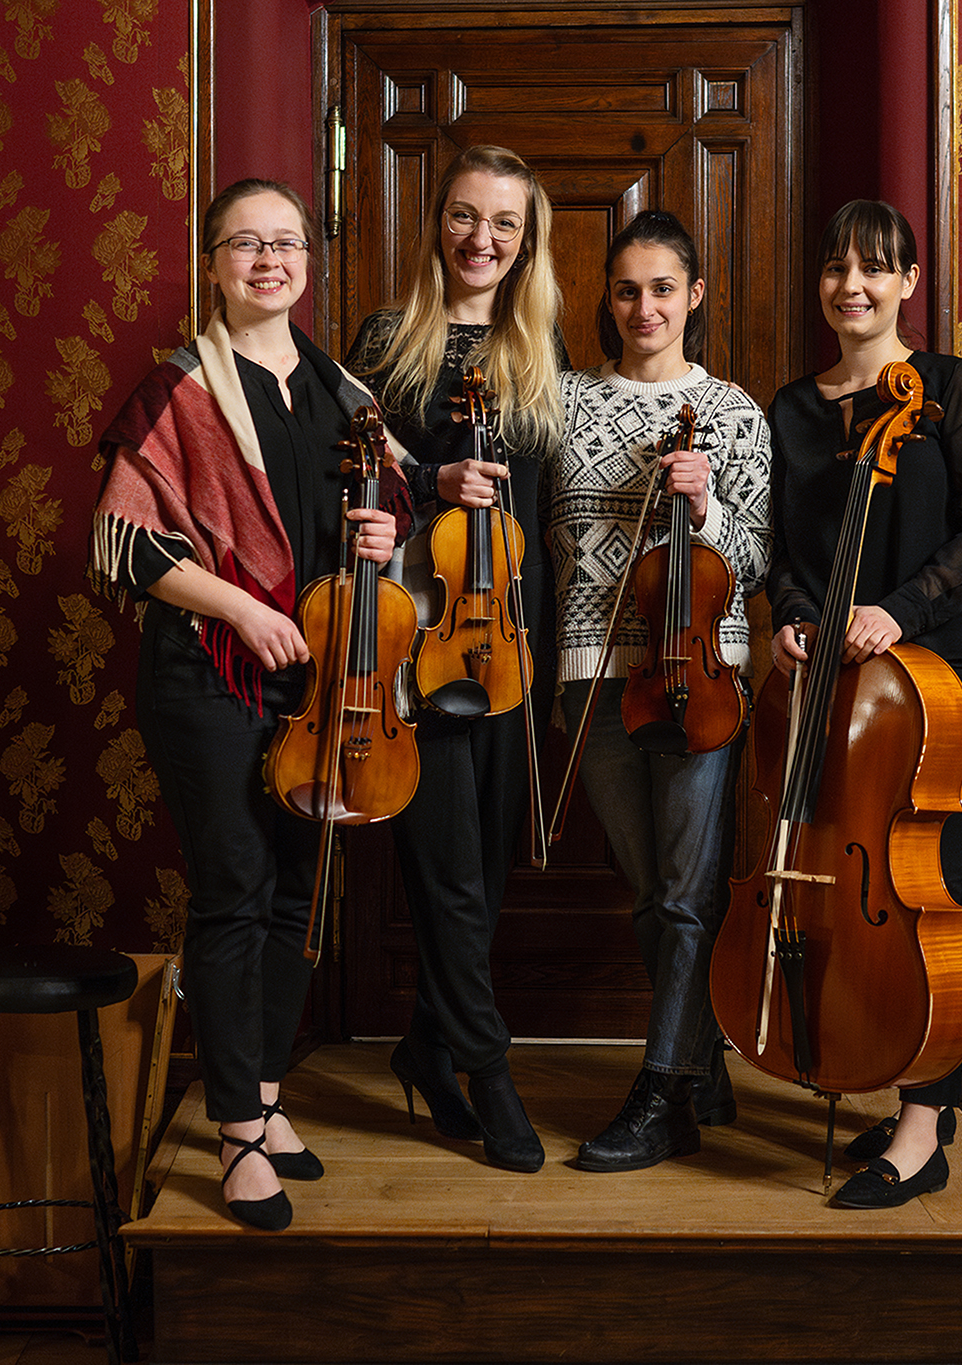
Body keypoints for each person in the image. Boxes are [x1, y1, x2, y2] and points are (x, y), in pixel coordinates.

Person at [92, 179, 410, 1231]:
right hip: (209, 673)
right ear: (212, 265)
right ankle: (234, 1134)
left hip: (318, 680)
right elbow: (124, 544)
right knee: (233, 891)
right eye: (244, 244)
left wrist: (385, 534)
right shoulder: (178, 387)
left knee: (293, 894)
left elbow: (388, 516)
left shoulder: (345, 393)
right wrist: (238, 607)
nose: (267, 261)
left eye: (284, 244)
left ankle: (265, 1102)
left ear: (307, 262)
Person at [765, 199, 962, 1209]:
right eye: (837, 268)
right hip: (844, 673)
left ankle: (922, 1129)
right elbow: (787, 551)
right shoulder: (794, 410)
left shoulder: (949, 389)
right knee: (856, 870)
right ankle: (907, 1084)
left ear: (908, 283)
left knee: (928, 882)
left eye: (874, 268)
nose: (852, 287)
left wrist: (902, 609)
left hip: (950, 668)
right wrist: (795, 616)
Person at [343, 144, 567, 1173]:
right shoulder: (387, 341)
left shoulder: (539, 349)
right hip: (418, 643)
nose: (483, 238)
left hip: (509, 643)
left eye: (504, 223)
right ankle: (489, 1070)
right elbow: (354, 479)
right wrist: (429, 478)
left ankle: (427, 1047)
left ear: (527, 242)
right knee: (446, 871)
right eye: (466, 216)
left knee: (487, 865)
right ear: (438, 223)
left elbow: (547, 514)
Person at [546, 209, 771, 1172]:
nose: (645, 308)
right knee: (651, 889)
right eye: (628, 290)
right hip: (590, 673)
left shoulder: (735, 412)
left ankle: (660, 1093)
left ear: (695, 295)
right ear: (608, 299)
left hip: (701, 675)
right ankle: (702, 1061)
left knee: (685, 896)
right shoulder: (562, 401)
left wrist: (708, 503)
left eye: (664, 289)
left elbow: (754, 559)